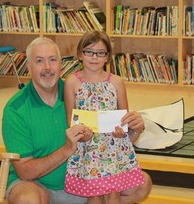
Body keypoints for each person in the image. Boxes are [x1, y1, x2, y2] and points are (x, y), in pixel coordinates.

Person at [2, 36, 152, 204]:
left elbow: (110, 142)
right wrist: (67, 149)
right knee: (28, 200)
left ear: (61, 64)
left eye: (52, 60)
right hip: (37, 185)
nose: (47, 68)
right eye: (39, 61)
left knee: (142, 183)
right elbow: (25, 172)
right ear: (28, 66)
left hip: (80, 182)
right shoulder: (15, 109)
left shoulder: (78, 92)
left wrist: (133, 130)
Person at [64, 30, 149, 204]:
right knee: (94, 194)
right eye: (89, 52)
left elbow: (123, 117)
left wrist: (121, 131)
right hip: (88, 149)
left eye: (100, 53)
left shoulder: (116, 82)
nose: (94, 57)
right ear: (80, 54)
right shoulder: (72, 82)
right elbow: (70, 119)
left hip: (113, 148)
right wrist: (81, 134)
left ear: (107, 57)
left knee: (113, 193)